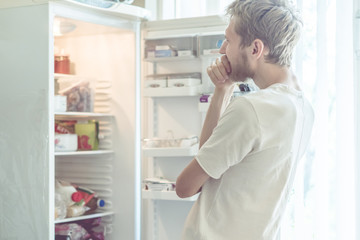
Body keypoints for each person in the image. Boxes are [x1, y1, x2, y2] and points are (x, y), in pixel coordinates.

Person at [176, 0, 314, 239]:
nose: (222, 50)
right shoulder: (304, 109)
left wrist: (224, 93)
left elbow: (186, 186)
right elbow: (209, 160)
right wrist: (223, 90)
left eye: (228, 40)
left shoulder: (251, 110)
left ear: (255, 49)